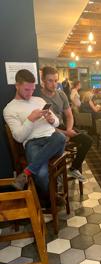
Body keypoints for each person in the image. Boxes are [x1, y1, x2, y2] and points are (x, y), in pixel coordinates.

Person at [3, 68, 66, 196]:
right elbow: (19, 138)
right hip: (33, 143)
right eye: (27, 89)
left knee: (60, 137)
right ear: (17, 85)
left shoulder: (39, 100)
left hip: (52, 140)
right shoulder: (9, 109)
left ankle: (26, 173)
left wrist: (51, 119)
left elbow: (57, 123)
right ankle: (52, 197)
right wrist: (31, 119)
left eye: (32, 89)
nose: (30, 93)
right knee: (42, 175)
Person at [40, 66, 92, 182]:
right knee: (58, 142)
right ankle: (56, 173)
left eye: (55, 80)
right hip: (48, 131)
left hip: (63, 127)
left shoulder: (61, 94)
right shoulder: (38, 97)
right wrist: (65, 133)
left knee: (87, 140)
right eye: (50, 81)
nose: (54, 84)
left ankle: (73, 168)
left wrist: (68, 130)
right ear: (43, 80)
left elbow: (69, 116)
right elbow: (44, 125)